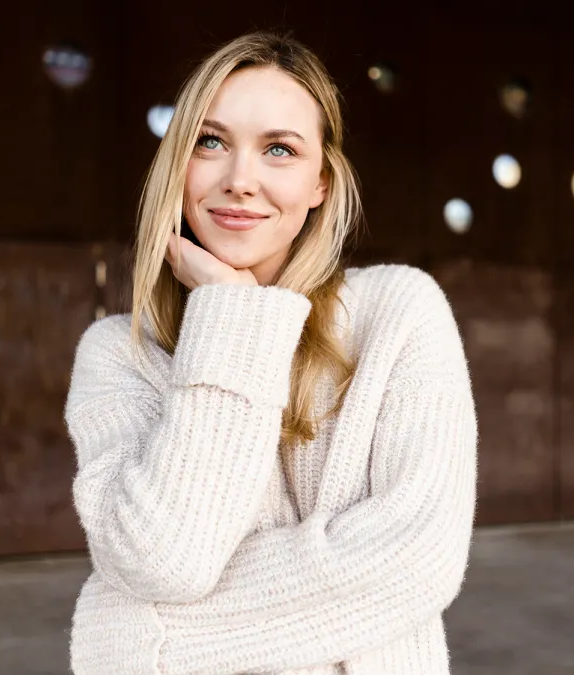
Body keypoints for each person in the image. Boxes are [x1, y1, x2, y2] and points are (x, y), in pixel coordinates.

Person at [65, 30, 478, 674]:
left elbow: (415, 561)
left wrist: (135, 630)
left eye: (279, 149)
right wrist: (229, 315)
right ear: (178, 164)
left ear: (320, 183)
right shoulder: (119, 355)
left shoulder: (398, 313)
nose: (240, 180)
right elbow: (163, 561)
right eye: (210, 141)